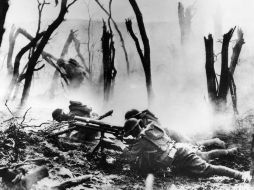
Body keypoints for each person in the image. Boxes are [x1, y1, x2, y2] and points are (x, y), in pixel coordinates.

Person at [122, 118, 251, 181]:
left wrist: (121, 146)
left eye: (130, 133)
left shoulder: (140, 140)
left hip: (179, 155)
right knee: (205, 155)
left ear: (133, 130)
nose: (131, 135)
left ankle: (242, 175)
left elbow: (129, 157)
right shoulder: (151, 128)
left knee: (208, 169)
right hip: (178, 149)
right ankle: (230, 151)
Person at [124, 109, 226, 148]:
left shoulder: (148, 121)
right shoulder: (145, 121)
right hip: (169, 136)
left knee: (193, 144)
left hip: (171, 134)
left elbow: (157, 130)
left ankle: (216, 141)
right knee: (192, 143)